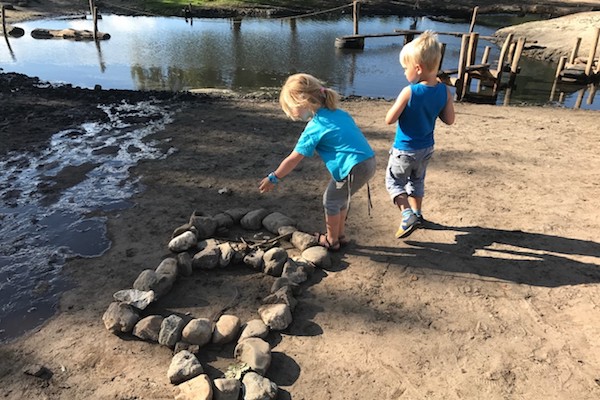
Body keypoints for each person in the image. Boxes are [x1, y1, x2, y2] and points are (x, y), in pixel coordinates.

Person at [259, 73, 376, 251]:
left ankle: (331, 240)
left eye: (292, 109)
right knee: (340, 199)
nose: (294, 114)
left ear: (302, 102)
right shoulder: (339, 113)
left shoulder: (315, 127)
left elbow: (293, 159)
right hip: (368, 161)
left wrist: (274, 177)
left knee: (330, 201)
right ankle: (340, 235)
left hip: (352, 167)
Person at [385, 30, 455, 239]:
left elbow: (389, 119)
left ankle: (407, 214)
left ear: (417, 68)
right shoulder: (444, 91)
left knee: (394, 183)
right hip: (426, 149)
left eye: (405, 68)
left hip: (404, 149)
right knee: (417, 181)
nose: (404, 73)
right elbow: (449, 120)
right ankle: (418, 214)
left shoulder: (409, 91)